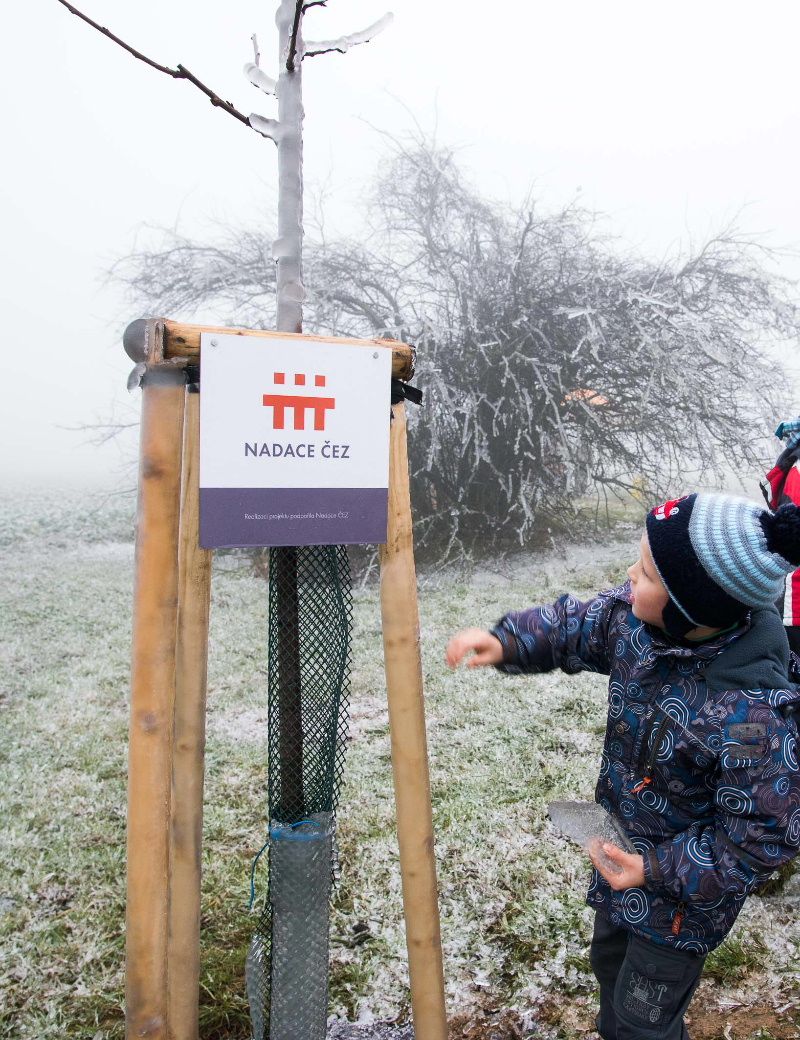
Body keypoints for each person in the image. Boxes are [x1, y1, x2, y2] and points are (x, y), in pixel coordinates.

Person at [446, 493, 800, 1040]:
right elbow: (579, 624)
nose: (630, 577)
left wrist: (655, 870)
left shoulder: (749, 714)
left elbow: (758, 836)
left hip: (680, 907)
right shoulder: (639, 626)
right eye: (639, 561)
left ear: (692, 609)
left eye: (648, 574)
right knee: (609, 968)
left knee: (643, 1022)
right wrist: (507, 640)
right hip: (619, 858)